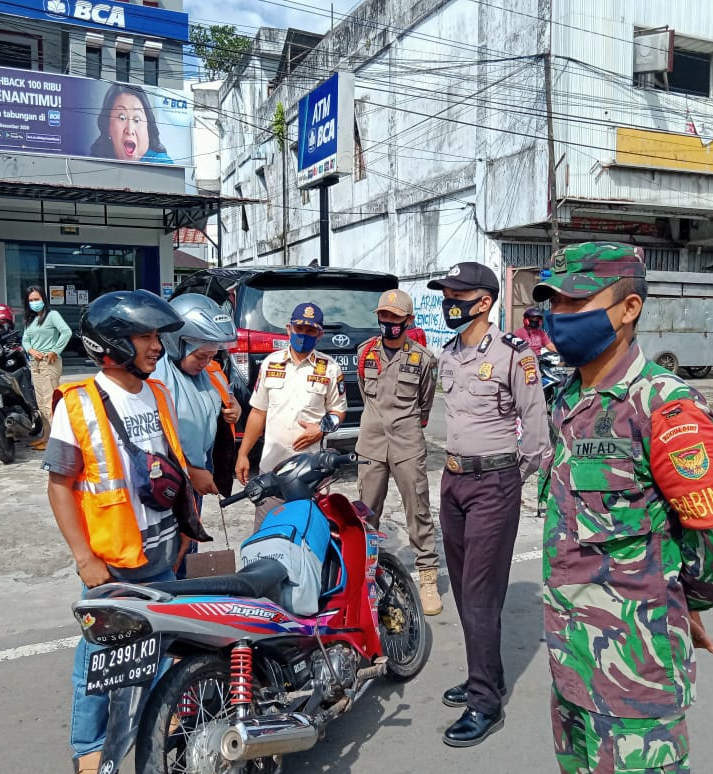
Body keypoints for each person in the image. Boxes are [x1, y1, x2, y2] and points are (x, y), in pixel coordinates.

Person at [532, 242, 713, 774]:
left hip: (637, 679)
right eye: (552, 304)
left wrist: (678, 598)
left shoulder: (665, 407)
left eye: (573, 303)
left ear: (629, 309)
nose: (557, 318)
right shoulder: (567, 400)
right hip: (571, 666)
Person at [41, 289, 209, 774]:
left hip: (164, 552)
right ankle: (90, 752)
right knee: (99, 658)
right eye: (146, 336)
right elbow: (58, 487)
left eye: (158, 336)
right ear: (113, 344)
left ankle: (153, 730)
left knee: (157, 647)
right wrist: (82, 558)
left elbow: (170, 464)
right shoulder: (78, 405)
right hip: (113, 561)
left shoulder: (157, 394)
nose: (157, 346)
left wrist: (186, 524)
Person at [429, 262, 550, 748]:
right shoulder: (449, 353)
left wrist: (507, 479)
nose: (448, 300)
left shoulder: (513, 355)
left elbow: (536, 428)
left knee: (480, 593)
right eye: (446, 292)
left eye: (458, 293)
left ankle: (485, 702)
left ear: (484, 302)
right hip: (453, 481)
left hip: (493, 484)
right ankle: (486, 674)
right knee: (462, 588)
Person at [355, 289, 442, 615]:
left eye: (395, 317)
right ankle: (365, 578)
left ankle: (429, 577)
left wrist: (406, 424)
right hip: (372, 444)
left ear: (409, 321)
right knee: (366, 515)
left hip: (407, 443)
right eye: (384, 316)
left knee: (418, 511)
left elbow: (425, 403)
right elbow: (366, 394)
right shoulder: (365, 354)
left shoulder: (423, 359)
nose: (388, 322)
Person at [151, 293, 242, 575]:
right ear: (175, 345)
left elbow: (225, 396)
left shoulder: (208, 372)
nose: (206, 362)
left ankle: (181, 593)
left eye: (212, 355)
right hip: (164, 482)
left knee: (187, 542)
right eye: (200, 355)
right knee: (167, 548)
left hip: (196, 479)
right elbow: (155, 439)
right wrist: (191, 471)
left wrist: (233, 409)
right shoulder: (156, 380)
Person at [235, 302, 347, 526]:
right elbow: (258, 412)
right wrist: (243, 453)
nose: (303, 334)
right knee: (267, 532)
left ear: (319, 334)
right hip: (272, 471)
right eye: (299, 328)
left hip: (312, 472)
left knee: (311, 533)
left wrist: (322, 428)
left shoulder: (330, 368)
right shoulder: (270, 363)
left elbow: (338, 411)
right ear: (289, 329)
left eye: (310, 330)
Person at [22, 285, 73, 450]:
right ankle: (46, 436)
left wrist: (55, 351)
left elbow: (66, 332)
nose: (34, 302)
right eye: (31, 300)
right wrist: (31, 350)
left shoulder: (52, 315)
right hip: (34, 364)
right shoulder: (30, 320)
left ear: (44, 299)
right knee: (41, 402)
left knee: (50, 402)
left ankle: (59, 441)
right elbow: (25, 339)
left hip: (49, 363)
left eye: (37, 299)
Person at [90, 83, 173, 164]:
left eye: (137, 119)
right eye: (122, 118)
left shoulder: (162, 164)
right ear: (108, 126)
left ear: (148, 128)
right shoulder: (97, 160)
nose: (129, 130)